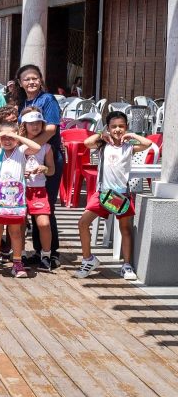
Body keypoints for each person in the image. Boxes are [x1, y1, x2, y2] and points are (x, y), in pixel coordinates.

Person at [75, 112, 153, 280]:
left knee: (125, 229)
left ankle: (126, 265)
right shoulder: (103, 143)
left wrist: (131, 135)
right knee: (83, 223)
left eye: (122, 126)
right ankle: (88, 259)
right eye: (113, 126)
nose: (118, 129)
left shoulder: (129, 145)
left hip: (121, 194)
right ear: (108, 128)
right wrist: (101, 134)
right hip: (103, 193)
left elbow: (148, 143)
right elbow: (87, 143)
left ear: (126, 127)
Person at [0, 121, 41, 278]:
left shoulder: (21, 150)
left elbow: (37, 147)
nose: (7, 140)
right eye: (4, 137)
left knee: (16, 232)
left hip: (16, 201)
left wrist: (16, 136)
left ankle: (17, 263)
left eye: (10, 137)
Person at [15, 64, 63, 266]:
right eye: (27, 79)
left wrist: (32, 148)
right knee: (28, 206)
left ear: (41, 80)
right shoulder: (22, 101)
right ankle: (37, 250)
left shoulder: (48, 99)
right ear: (20, 83)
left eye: (35, 78)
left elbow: (51, 129)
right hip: (26, 160)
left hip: (48, 156)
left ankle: (51, 252)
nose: (31, 82)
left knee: (46, 207)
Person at [19, 107, 56, 272]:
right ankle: (20, 255)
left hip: (39, 189)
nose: (35, 126)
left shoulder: (47, 147)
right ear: (24, 125)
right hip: (19, 190)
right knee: (19, 224)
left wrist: (44, 168)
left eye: (38, 123)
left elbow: (52, 170)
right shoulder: (17, 144)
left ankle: (46, 255)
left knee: (43, 223)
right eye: (30, 123)